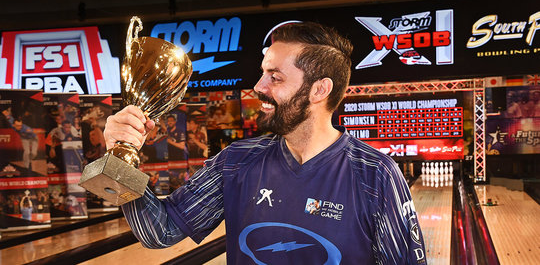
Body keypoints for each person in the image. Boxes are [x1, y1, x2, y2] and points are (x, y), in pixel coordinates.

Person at [104, 22, 426, 264]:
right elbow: (159, 232)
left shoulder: (374, 174)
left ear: (319, 90)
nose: (258, 87)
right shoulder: (236, 161)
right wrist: (119, 158)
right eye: (262, 74)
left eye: (275, 77)